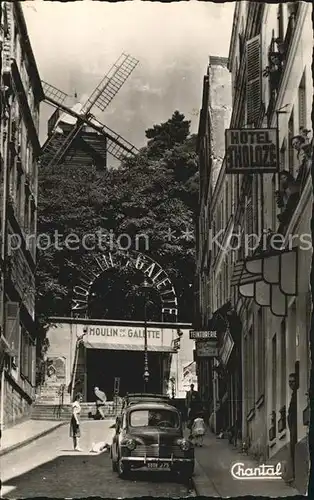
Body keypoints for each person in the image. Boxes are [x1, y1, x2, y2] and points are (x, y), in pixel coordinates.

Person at [287, 372, 297, 482]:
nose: (291, 384)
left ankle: (294, 475)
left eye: (293, 382)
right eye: (289, 382)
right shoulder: (294, 394)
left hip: (295, 426)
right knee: (292, 449)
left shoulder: (296, 395)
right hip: (292, 426)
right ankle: (293, 474)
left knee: (293, 448)